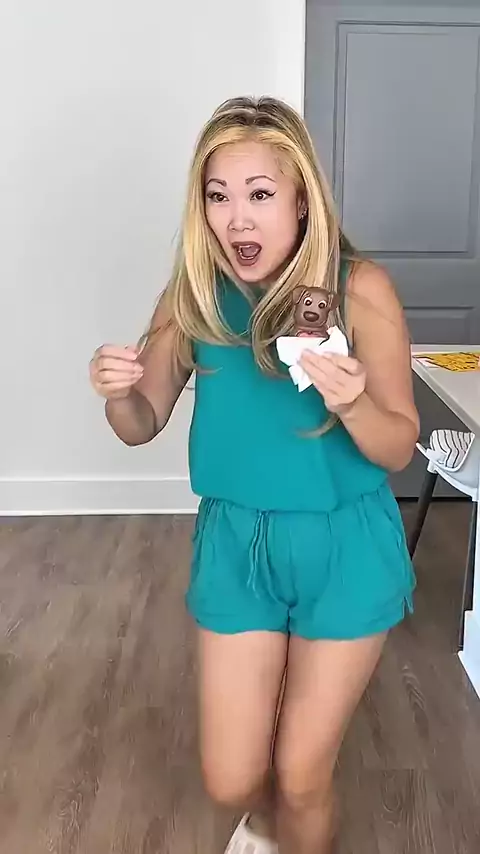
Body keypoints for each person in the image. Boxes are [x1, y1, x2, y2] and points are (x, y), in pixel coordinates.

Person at [89, 96, 419, 854]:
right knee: (232, 780)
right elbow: (141, 423)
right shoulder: (194, 295)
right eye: (218, 196)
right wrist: (119, 393)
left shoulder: (359, 290)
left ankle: (294, 815)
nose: (237, 218)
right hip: (236, 543)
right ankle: (264, 817)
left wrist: (354, 402)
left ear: (302, 200)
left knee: (303, 776)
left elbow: (399, 447)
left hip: (344, 547)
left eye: (260, 194)